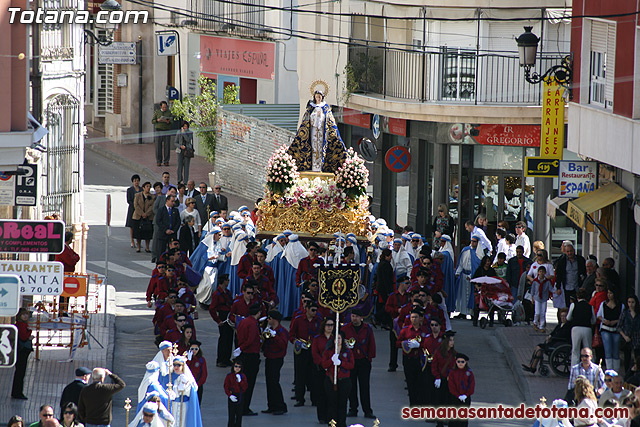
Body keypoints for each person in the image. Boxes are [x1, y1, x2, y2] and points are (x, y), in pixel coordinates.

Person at [287, 89, 347, 173]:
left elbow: (330, 121)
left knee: (320, 147)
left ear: (322, 97)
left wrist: (321, 116)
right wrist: (315, 116)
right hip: (313, 131)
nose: (318, 98)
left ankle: (320, 166)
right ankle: (313, 166)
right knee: (314, 147)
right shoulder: (310, 107)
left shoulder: (326, 108)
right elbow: (306, 121)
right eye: (317, 97)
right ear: (314, 97)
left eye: (319, 97)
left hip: (322, 132)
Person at [343, 309, 376, 419]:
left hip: (363, 360)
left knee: (364, 386)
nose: (354, 318)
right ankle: (353, 408)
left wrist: (369, 358)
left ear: (361, 317)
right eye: (353, 316)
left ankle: (367, 410)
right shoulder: (345, 328)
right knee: (351, 386)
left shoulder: (367, 329)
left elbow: (371, 343)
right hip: (350, 361)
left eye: (357, 316)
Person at [290, 301, 322, 407]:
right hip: (301, 350)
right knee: (300, 376)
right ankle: (300, 398)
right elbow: (291, 335)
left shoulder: (319, 320)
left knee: (314, 376)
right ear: (307, 309)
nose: (314, 313)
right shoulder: (298, 319)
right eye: (312, 310)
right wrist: (297, 342)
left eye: (316, 311)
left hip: (314, 350)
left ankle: (315, 399)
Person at [522, 308, 572, 373]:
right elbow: (553, 332)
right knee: (538, 347)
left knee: (539, 348)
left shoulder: (568, 326)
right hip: (555, 342)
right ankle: (532, 365)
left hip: (560, 343)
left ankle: (533, 366)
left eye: (564, 316)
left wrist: (552, 338)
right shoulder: (560, 325)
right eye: (561, 316)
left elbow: (562, 335)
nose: (562, 318)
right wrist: (550, 336)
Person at [321, 331, 354, 427]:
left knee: (342, 403)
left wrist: (341, 363)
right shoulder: (328, 351)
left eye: (340, 338)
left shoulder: (347, 352)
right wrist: (331, 360)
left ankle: (341, 423)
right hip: (331, 380)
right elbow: (324, 364)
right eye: (336, 338)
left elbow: (351, 365)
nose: (338, 340)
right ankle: (332, 423)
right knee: (332, 402)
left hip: (344, 381)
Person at [234, 303, 262, 416]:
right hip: (251, 355)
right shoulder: (253, 324)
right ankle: (245, 408)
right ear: (258, 313)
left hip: (243, 354)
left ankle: (240, 406)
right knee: (249, 383)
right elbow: (251, 340)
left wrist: (240, 348)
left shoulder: (243, 322)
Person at [397, 309, 429, 406]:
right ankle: (413, 404)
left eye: (416, 317)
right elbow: (397, 343)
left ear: (420, 319)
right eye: (412, 317)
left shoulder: (425, 330)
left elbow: (429, 344)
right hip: (408, 359)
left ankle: (421, 402)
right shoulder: (405, 330)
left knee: (421, 382)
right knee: (410, 382)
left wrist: (420, 345)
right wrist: (405, 343)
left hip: (420, 359)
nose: (414, 319)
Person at [261, 310, 288, 416]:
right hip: (269, 357)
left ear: (275, 320)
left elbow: (283, 345)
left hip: (277, 359)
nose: (268, 320)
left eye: (269, 318)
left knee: (274, 382)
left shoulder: (282, 331)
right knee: (269, 382)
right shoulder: (270, 329)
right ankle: (271, 406)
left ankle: (280, 406)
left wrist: (274, 336)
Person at [311, 317, 335, 424]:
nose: (330, 327)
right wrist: (323, 363)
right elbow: (315, 353)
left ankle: (331, 416)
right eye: (328, 325)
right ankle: (321, 416)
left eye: (332, 325)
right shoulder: (317, 339)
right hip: (320, 369)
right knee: (321, 393)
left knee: (331, 393)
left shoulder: (335, 338)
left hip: (332, 369)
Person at [168, 356, 202, 427]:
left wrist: (186, 385)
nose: (176, 367)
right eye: (174, 365)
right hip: (173, 405)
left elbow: (193, 390)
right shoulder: (170, 377)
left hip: (184, 405)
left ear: (183, 366)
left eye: (179, 365)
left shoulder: (187, 377)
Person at [432, 331, 457, 427]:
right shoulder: (438, 352)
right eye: (450, 340)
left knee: (450, 402)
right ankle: (440, 423)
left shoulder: (454, 353)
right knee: (440, 402)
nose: (452, 342)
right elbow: (434, 366)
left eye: (453, 340)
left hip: (451, 382)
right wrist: (437, 377)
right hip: (441, 380)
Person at [209, 274, 234, 367]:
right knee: (223, 339)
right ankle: (221, 360)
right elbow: (212, 309)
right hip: (223, 317)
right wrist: (218, 320)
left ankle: (227, 358)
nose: (228, 282)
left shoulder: (227, 292)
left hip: (229, 317)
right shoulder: (217, 294)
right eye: (227, 280)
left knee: (229, 339)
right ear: (224, 281)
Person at [567, 288, 597, 366]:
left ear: (577, 296)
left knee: (575, 350)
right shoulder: (590, 307)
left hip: (576, 328)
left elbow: (568, 318)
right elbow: (593, 320)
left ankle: (574, 369)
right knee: (588, 350)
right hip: (587, 328)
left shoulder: (574, 305)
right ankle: (591, 368)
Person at [597, 286, 624, 372]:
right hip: (605, 329)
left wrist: (615, 321)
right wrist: (604, 320)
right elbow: (598, 315)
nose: (609, 295)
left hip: (616, 330)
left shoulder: (620, 306)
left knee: (616, 350)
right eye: (608, 293)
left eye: (611, 293)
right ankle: (609, 370)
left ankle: (616, 370)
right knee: (608, 350)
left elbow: (622, 318)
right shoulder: (603, 304)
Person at [455, 237, 481, 319]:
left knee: (472, 295)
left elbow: (478, 267)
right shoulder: (465, 250)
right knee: (462, 295)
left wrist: (472, 276)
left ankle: (472, 313)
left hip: (473, 277)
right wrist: (458, 273)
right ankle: (463, 312)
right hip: (464, 275)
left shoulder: (479, 253)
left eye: (474, 242)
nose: (472, 243)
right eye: (471, 241)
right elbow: (461, 263)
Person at [555, 242, 587, 308]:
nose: (569, 253)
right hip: (567, 287)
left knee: (578, 305)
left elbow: (584, 272)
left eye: (571, 251)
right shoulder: (562, 261)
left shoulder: (580, 260)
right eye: (568, 251)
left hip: (577, 287)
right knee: (568, 305)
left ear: (574, 251)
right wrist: (558, 287)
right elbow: (559, 274)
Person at [448, 353, 475, 427]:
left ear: (465, 362)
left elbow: (471, 385)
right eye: (458, 361)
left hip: (465, 398)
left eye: (462, 362)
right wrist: (458, 395)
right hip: (455, 398)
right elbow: (451, 386)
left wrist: (466, 395)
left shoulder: (469, 372)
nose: (460, 363)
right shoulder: (452, 372)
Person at [12, 308, 33, 400]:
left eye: (26, 314)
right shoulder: (21, 325)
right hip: (22, 351)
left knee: (20, 372)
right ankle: (17, 392)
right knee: (21, 372)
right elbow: (23, 337)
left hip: (20, 351)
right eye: (23, 314)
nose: (25, 316)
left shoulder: (21, 324)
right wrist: (29, 334)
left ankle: (16, 392)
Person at [224, 361, 248, 427]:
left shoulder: (243, 376)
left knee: (239, 415)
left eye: (239, 367)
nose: (237, 368)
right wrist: (230, 395)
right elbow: (226, 386)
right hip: (232, 395)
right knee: (231, 415)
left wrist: (240, 381)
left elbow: (245, 387)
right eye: (236, 366)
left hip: (240, 395)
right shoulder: (229, 376)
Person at [132, 182, 155, 253]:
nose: (148, 188)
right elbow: (136, 205)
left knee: (147, 233)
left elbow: (152, 206)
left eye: (149, 186)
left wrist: (146, 214)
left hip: (148, 217)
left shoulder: (152, 197)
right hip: (138, 216)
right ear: (143, 187)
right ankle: (138, 247)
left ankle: (147, 247)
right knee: (138, 233)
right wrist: (142, 213)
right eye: (147, 186)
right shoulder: (138, 195)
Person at [620, 294, 640, 373]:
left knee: (637, 358)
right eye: (629, 302)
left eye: (632, 302)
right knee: (627, 359)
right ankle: (627, 374)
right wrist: (624, 336)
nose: (631, 304)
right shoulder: (625, 313)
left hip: (637, 339)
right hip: (627, 339)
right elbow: (619, 327)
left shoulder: (638, 314)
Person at [152, 101, 174, 166]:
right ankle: (159, 161)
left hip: (167, 130)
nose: (165, 108)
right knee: (158, 146)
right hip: (159, 130)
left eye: (165, 107)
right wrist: (157, 120)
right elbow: (153, 121)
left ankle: (166, 161)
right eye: (163, 107)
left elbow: (172, 121)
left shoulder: (169, 112)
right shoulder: (157, 112)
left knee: (167, 146)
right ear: (161, 106)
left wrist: (168, 121)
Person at [186, 340, 208, 405]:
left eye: (196, 349)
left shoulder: (201, 360)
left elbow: (204, 374)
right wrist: (188, 360)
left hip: (197, 385)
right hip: (187, 385)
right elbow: (184, 370)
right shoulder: (186, 359)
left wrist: (198, 384)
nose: (194, 351)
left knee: (197, 404)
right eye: (192, 349)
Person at [531, 266, 552, 332]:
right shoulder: (535, 281)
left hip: (544, 298)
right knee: (537, 312)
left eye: (543, 272)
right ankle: (535, 323)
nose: (541, 273)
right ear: (538, 273)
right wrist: (532, 298)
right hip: (537, 298)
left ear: (545, 273)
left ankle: (542, 326)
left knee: (543, 313)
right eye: (540, 271)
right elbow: (533, 290)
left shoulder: (547, 281)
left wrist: (555, 292)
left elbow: (551, 288)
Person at [126, 174, 143, 248]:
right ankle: (132, 240)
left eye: (137, 181)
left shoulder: (142, 189)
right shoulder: (130, 190)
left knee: (139, 225)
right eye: (135, 181)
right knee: (132, 226)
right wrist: (135, 206)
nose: (136, 182)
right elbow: (129, 200)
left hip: (140, 209)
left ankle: (138, 241)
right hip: (132, 209)